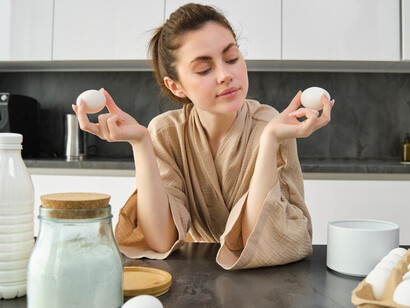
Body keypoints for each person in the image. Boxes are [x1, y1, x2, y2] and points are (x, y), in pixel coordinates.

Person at [73, 3, 334, 270]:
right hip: (194, 274)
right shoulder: (166, 132)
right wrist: (140, 143)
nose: (226, 75)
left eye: (232, 59)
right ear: (176, 86)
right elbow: (160, 241)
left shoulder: (272, 126)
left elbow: (259, 241)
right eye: (204, 69)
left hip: (267, 283)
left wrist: (269, 142)